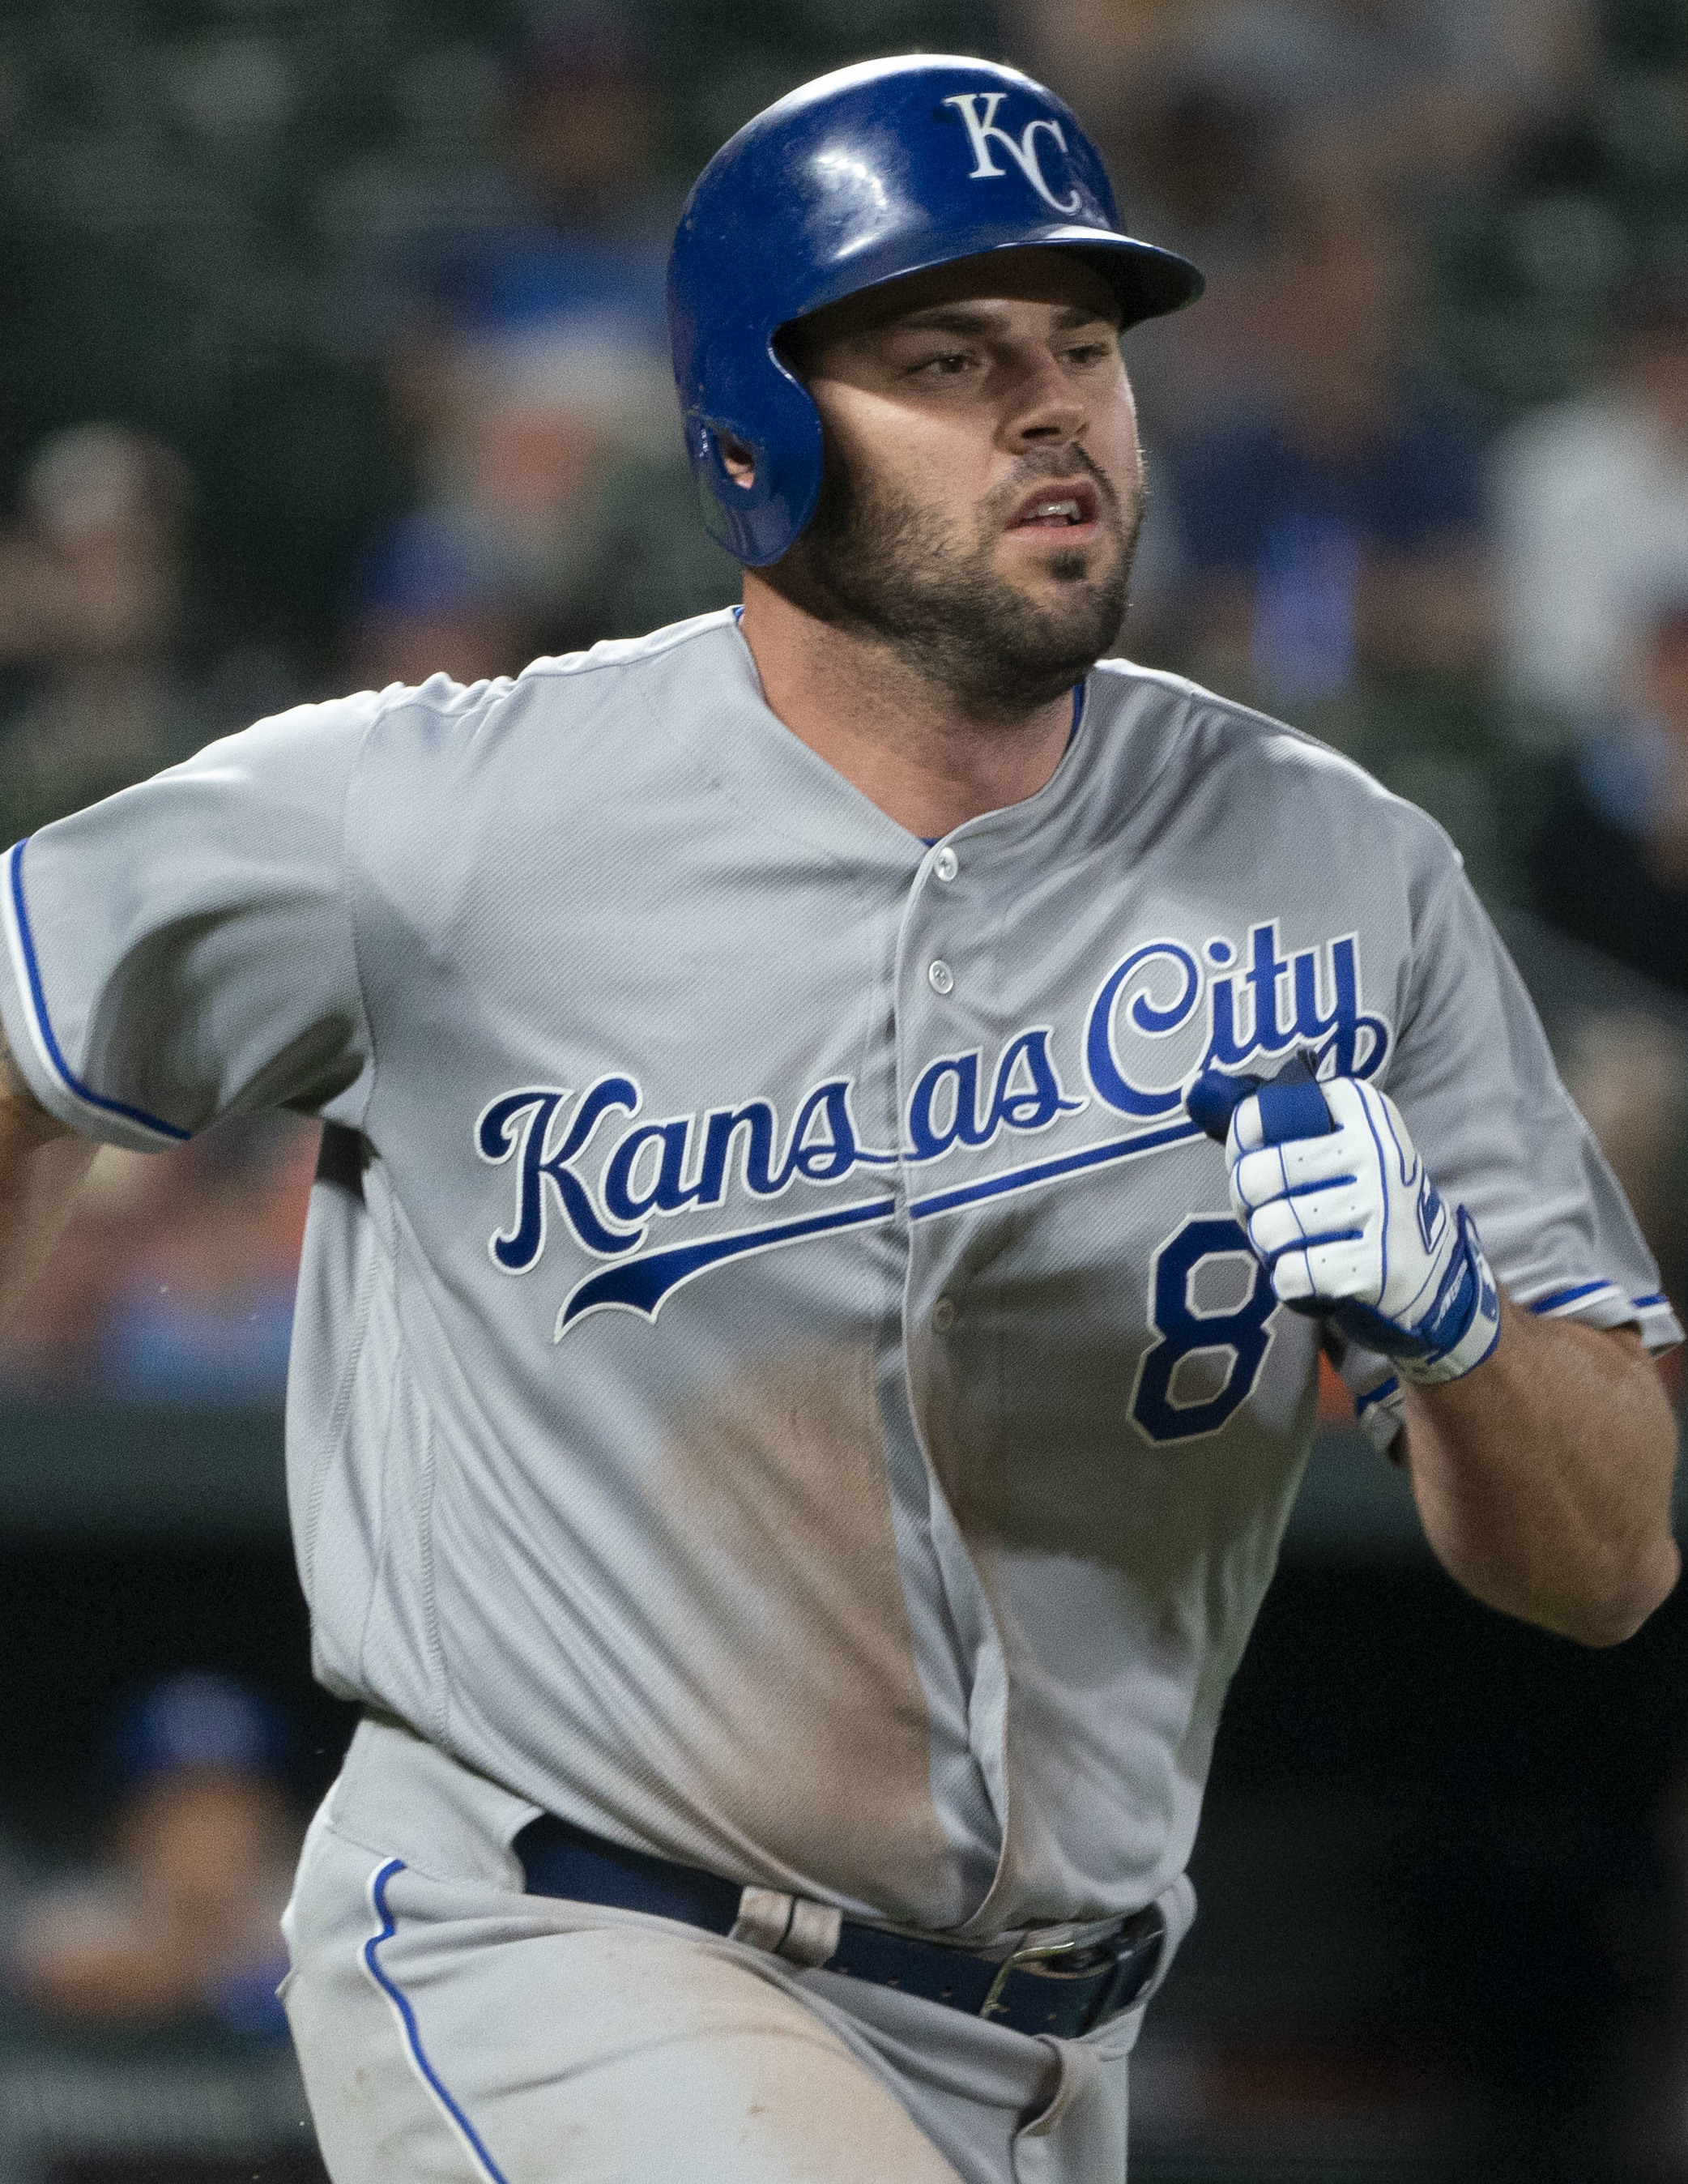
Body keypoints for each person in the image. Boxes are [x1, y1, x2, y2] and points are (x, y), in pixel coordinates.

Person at [0, 54, 1677, 2184]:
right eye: (950, 359)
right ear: (753, 427)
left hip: (1055, 2047)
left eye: (1083, 349)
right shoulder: (445, 821)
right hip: (560, 1938)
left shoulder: (1340, 876)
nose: (1051, 407)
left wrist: (1457, 1332)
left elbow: (1610, 1560)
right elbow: (23, 1015)